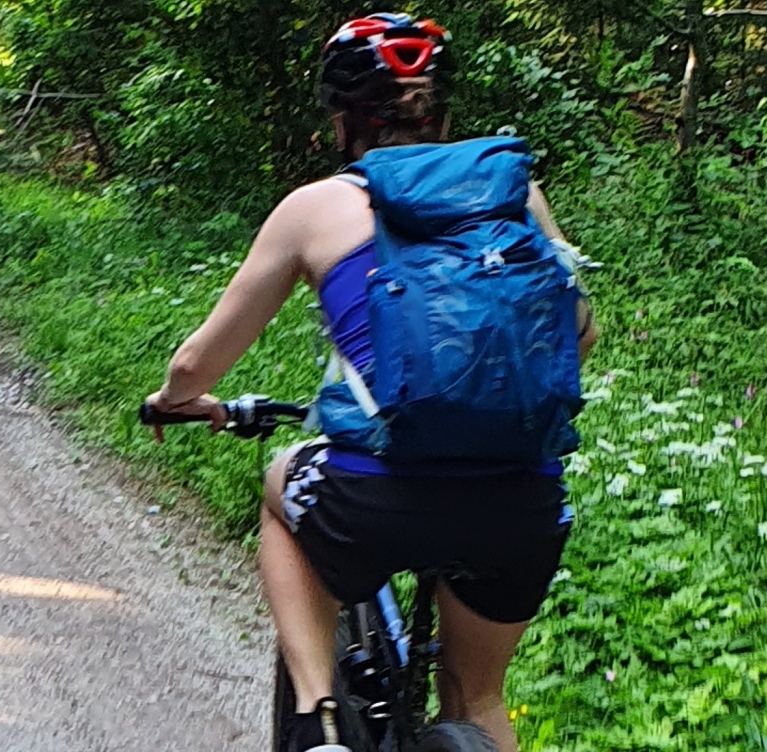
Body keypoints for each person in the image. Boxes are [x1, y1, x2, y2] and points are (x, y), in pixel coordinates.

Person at [142, 13, 598, 752]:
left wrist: (174, 399)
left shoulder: (314, 208)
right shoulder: (517, 194)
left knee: (278, 481)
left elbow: (200, 363)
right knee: (478, 697)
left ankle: (317, 716)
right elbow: (580, 332)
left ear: (341, 121)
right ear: (442, 111)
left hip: (369, 493)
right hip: (522, 498)